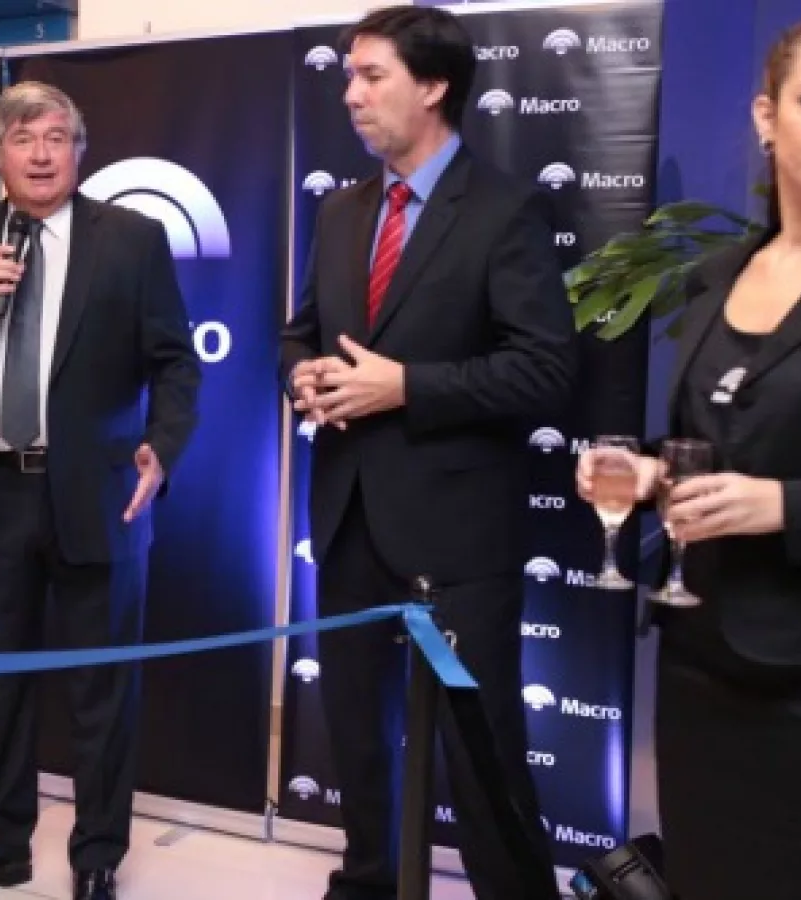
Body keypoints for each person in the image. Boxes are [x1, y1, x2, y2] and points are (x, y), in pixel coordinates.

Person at [280, 7, 575, 899]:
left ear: (435, 85)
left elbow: (544, 370)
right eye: (349, 76)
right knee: (356, 738)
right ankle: (368, 882)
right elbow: (300, 333)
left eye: (372, 76)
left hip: (458, 536)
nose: (351, 94)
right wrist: (303, 377)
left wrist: (407, 387)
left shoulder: (506, 210)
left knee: (482, 753)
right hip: (347, 520)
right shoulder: (341, 211)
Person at [0, 81, 201, 900]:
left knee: (102, 691)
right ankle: (2, 844)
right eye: (24, 138)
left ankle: (97, 856)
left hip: (100, 498)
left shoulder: (132, 238)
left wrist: (163, 449)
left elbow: (175, 362)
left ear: (78, 151)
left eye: (57, 137)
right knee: (1, 686)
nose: (42, 153)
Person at [575, 14, 801, 900]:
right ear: (766, 117)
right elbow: (709, 441)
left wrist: (786, 506)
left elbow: (772, 481)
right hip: (699, 657)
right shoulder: (716, 276)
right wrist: (649, 476)